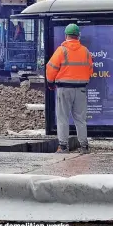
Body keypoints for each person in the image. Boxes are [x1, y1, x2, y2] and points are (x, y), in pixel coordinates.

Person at [46, 23, 93, 154]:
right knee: (80, 119)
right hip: (81, 89)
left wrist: (50, 83)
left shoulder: (62, 51)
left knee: (62, 118)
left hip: (64, 88)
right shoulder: (86, 51)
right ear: (78, 36)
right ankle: (84, 146)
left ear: (66, 36)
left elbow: (51, 68)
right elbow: (90, 70)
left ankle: (63, 147)